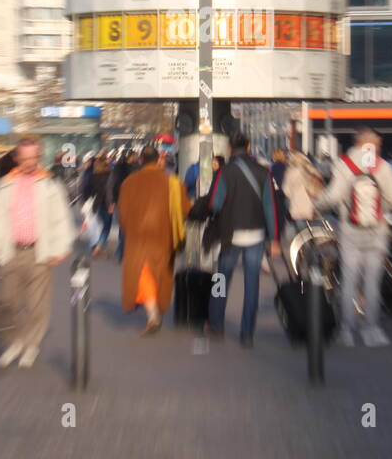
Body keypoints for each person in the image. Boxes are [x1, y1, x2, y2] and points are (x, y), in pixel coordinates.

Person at [0, 137, 74, 369]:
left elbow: (61, 218)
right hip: (9, 251)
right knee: (4, 302)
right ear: (17, 158)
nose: (30, 162)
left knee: (36, 305)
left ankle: (31, 345)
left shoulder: (50, 185)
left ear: (38, 158)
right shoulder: (5, 184)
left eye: (34, 158)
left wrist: (62, 247)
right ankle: (14, 341)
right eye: (26, 158)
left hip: (38, 252)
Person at [317, 128, 392, 348]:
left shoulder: (344, 164)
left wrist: (317, 204)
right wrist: (380, 205)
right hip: (377, 230)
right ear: (374, 144)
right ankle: (372, 330)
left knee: (349, 281)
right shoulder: (383, 166)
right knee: (372, 282)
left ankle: (346, 331)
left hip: (350, 229)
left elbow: (334, 196)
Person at [205, 134, 280, 347]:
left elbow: (214, 204)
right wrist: (274, 239)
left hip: (230, 235)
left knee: (220, 279)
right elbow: (270, 207)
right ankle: (247, 333)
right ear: (248, 146)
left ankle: (216, 323)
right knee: (252, 284)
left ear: (230, 148)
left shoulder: (224, 172)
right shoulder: (263, 172)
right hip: (256, 236)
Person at [115, 144, 189, 335]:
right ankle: (155, 311)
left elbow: (122, 214)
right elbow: (184, 209)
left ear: (141, 161)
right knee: (161, 275)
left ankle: (152, 313)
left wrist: (129, 229)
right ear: (158, 160)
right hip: (163, 237)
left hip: (138, 238)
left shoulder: (129, 183)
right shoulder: (172, 182)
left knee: (142, 274)